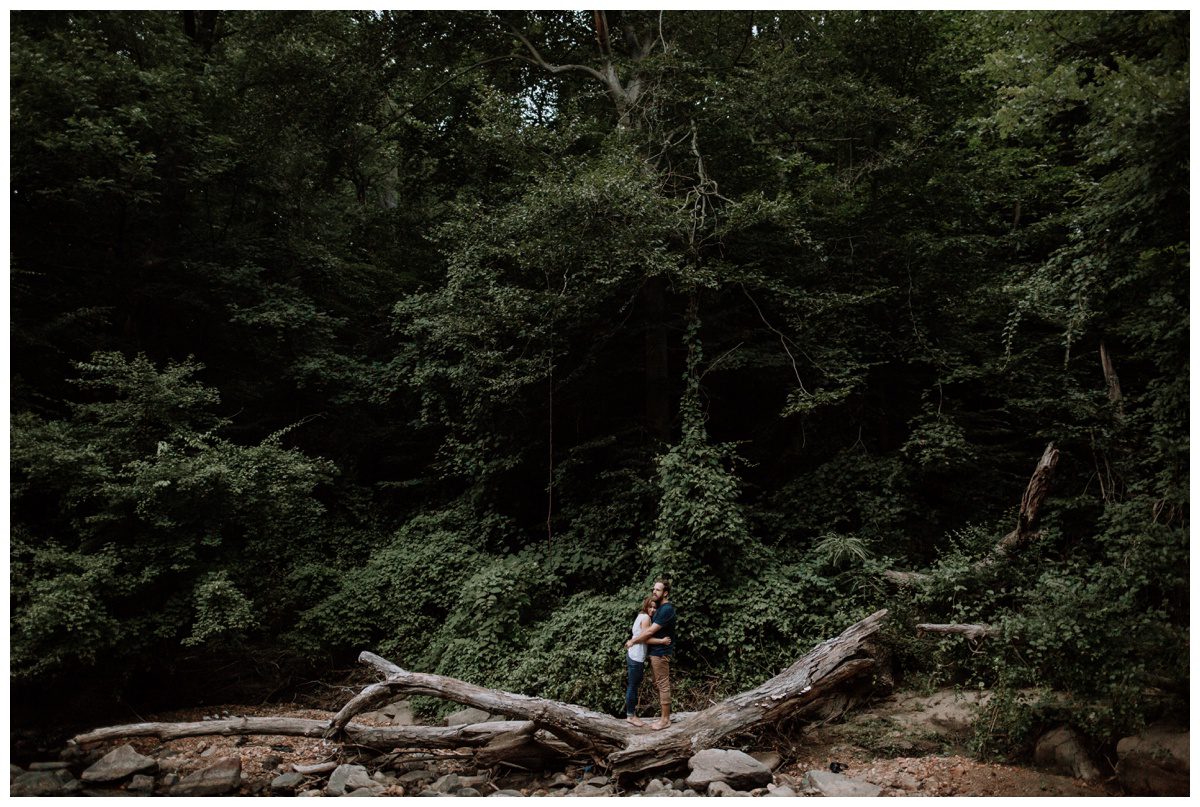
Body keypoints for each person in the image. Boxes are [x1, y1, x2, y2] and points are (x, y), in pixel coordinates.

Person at [625, 578, 676, 730]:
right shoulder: (659, 608)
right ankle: (662, 717)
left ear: (665, 593)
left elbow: (649, 632)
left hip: (660, 653)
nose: (654, 591)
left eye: (658, 590)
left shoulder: (666, 609)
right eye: (653, 589)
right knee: (659, 684)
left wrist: (633, 641)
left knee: (663, 684)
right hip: (655, 652)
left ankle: (665, 720)